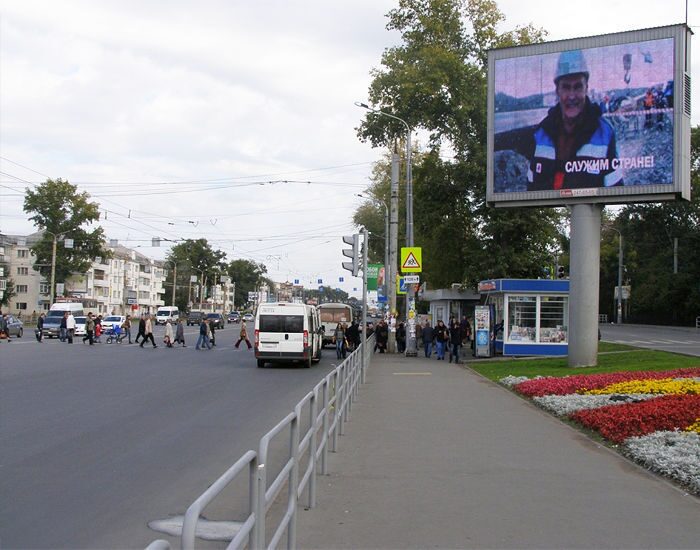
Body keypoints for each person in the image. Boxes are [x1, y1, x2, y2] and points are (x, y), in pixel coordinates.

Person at [528, 49, 621, 191]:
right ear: (557, 90)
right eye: (566, 87)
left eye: (577, 87)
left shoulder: (605, 134)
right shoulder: (541, 134)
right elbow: (531, 190)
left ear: (586, 88)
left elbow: (616, 191)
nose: (572, 96)